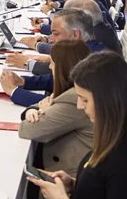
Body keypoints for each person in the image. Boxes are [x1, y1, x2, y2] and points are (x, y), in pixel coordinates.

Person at [28, 52, 127, 199]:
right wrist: (74, 185)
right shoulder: (115, 140)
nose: (79, 106)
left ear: (109, 102)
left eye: (85, 99)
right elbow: (104, 191)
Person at [0, 9, 104, 106]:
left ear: (75, 34)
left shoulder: (90, 62)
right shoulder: (81, 52)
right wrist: (24, 81)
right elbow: (60, 80)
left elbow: (63, 105)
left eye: (56, 34)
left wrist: (13, 91)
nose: (50, 39)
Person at [19, 40, 92, 177]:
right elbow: (43, 103)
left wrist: (41, 110)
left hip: (68, 176)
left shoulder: (74, 98)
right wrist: (32, 110)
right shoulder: (74, 89)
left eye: (52, 63)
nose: (50, 67)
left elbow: (27, 130)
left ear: (63, 67)